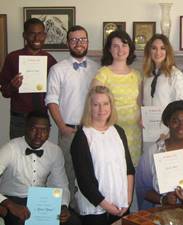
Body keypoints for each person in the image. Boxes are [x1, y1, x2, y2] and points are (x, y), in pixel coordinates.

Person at [45, 25, 100, 210]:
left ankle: (90, 212)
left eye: (82, 39)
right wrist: (61, 126)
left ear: (87, 42)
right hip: (68, 130)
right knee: (66, 174)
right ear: (68, 43)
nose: (79, 43)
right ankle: (66, 212)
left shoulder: (97, 69)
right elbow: (51, 100)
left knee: (90, 174)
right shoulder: (57, 69)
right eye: (74, 39)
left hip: (92, 131)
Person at [0, 111, 80, 225]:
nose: (39, 135)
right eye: (34, 129)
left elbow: (60, 185)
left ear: (49, 130)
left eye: (44, 130)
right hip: (12, 198)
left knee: (74, 222)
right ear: (26, 128)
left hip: (41, 200)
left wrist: (63, 206)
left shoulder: (54, 151)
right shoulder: (10, 149)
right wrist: (9, 204)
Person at [71, 86, 135, 225]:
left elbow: (129, 169)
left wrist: (128, 200)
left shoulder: (118, 131)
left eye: (106, 104)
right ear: (89, 107)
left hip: (121, 204)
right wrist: (107, 206)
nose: (101, 109)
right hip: (94, 208)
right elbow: (84, 181)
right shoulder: (82, 137)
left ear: (111, 105)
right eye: (96, 105)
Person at [91, 30, 142, 166]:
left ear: (130, 48)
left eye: (124, 45)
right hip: (110, 129)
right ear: (109, 49)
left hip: (133, 131)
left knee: (131, 169)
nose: (120, 50)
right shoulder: (103, 73)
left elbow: (140, 103)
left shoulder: (137, 75)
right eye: (115, 46)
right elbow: (94, 103)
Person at [0, 18, 57, 139]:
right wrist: (12, 87)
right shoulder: (12, 58)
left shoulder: (50, 60)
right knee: (17, 152)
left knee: (41, 153)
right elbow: (5, 92)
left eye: (40, 33)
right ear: (24, 35)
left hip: (41, 116)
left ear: (45, 35)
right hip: (19, 117)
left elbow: (56, 90)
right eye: (32, 34)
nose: (36, 38)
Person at [143, 34, 183, 108]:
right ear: (149, 51)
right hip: (148, 119)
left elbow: (182, 106)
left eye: (162, 48)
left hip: (167, 119)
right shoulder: (147, 75)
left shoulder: (176, 75)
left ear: (167, 51)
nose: (158, 52)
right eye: (154, 48)